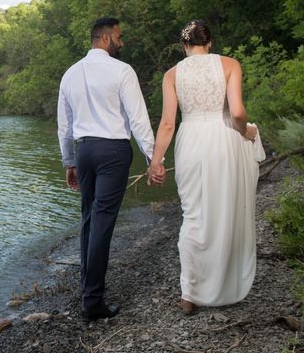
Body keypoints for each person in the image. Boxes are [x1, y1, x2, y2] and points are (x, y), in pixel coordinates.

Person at [147, 19, 261, 314]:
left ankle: (189, 292)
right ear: (209, 43)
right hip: (224, 138)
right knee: (224, 208)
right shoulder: (229, 64)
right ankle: (224, 281)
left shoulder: (172, 74)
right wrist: (247, 131)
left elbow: (168, 123)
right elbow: (236, 112)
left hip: (191, 141)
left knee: (194, 214)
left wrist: (156, 161)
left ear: (183, 45)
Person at [57, 17, 162, 321]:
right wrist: (154, 159)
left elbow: (64, 126)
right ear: (104, 39)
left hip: (85, 149)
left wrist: (70, 161)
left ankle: (87, 290)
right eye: (119, 36)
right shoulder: (122, 71)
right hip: (113, 151)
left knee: (90, 219)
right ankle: (92, 302)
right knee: (101, 222)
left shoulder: (70, 74)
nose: (122, 41)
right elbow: (139, 119)